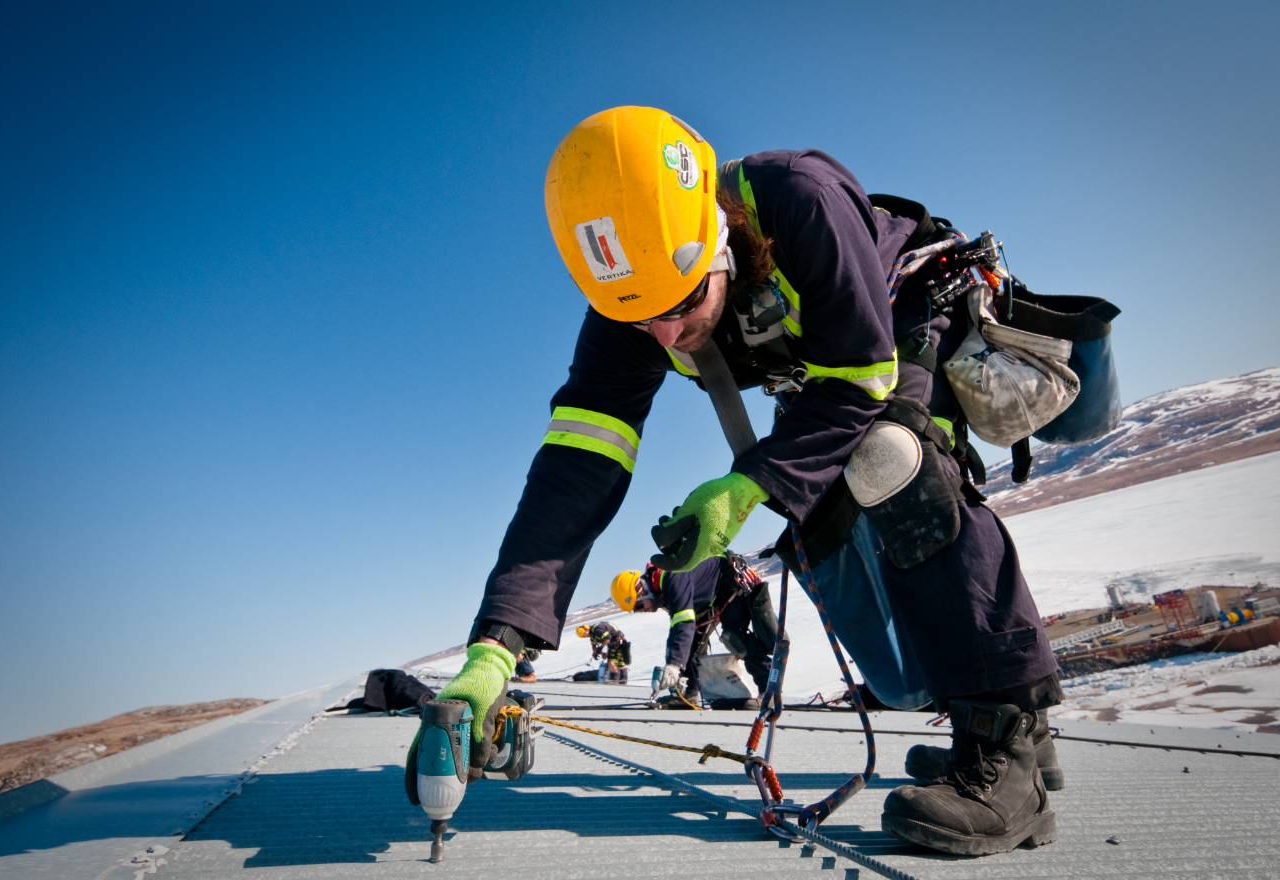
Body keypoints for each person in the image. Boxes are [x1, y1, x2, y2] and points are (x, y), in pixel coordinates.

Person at [436, 106, 1063, 855]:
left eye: (682, 304)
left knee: (893, 462)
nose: (665, 335)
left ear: (719, 240)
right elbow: (576, 467)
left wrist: (747, 486)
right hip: (825, 377)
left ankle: (1005, 746)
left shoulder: (800, 199)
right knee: (825, 526)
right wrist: (496, 647)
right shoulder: (631, 299)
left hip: (899, 320)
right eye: (642, 323)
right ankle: (1022, 735)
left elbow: (860, 379)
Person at [612, 554, 775, 708]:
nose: (641, 611)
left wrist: (674, 664)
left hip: (729, 580)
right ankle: (689, 695)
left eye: (638, 606)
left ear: (641, 589)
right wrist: (673, 662)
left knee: (736, 638)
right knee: (693, 641)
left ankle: (770, 692)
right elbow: (679, 630)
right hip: (711, 595)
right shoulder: (661, 590)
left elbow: (684, 624)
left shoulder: (672, 578)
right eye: (636, 610)